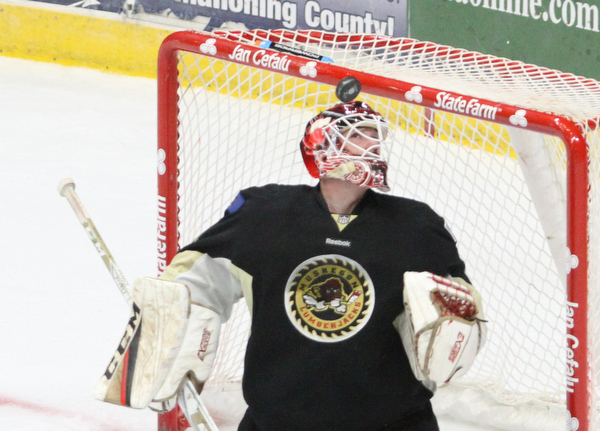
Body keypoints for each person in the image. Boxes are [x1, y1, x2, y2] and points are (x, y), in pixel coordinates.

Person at [95, 101, 485, 431]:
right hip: (277, 421)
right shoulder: (264, 214)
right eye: (360, 134)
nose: (374, 145)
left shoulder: (416, 225)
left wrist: (454, 324)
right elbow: (195, 279)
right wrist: (165, 328)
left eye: (376, 135)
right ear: (323, 148)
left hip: (393, 422)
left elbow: (460, 307)